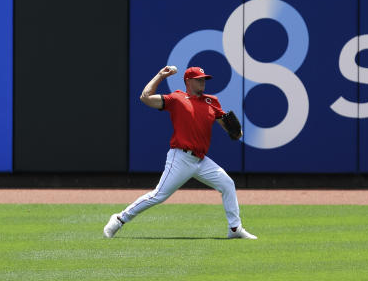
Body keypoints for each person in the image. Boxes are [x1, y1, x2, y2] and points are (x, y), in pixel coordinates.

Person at [103, 65, 257, 240]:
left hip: (201, 160)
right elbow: (145, 98)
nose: (202, 82)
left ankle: (235, 229)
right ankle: (119, 219)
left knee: (227, 184)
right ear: (188, 81)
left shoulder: (211, 101)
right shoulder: (177, 98)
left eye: (204, 79)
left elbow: (233, 133)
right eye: (199, 79)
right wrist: (160, 75)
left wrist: (237, 132)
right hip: (181, 157)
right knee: (158, 196)